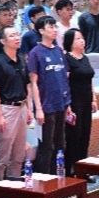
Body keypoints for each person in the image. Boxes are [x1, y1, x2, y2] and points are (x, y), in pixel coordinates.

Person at [27, 15, 71, 174]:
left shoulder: (58, 50)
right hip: (46, 105)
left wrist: (68, 104)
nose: (54, 30)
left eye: (55, 26)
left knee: (61, 143)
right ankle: (44, 178)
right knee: (47, 145)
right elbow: (33, 83)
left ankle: (58, 174)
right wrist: (38, 108)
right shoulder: (35, 53)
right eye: (50, 27)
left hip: (61, 103)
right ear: (41, 31)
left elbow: (64, 77)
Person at [0, 24, 31, 182]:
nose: (17, 38)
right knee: (3, 153)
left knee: (19, 151)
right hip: (6, 109)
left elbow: (27, 86)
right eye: (12, 36)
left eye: (17, 35)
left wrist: (29, 109)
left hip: (22, 107)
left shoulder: (22, 59)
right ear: (3, 41)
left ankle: (15, 184)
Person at [62, 28, 98, 176]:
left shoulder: (85, 58)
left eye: (82, 38)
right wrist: (67, 104)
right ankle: (70, 170)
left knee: (85, 134)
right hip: (74, 101)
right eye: (78, 38)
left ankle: (83, 170)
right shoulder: (66, 59)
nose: (82, 40)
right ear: (70, 42)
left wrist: (94, 98)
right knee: (73, 136)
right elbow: (64, 82)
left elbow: (90, 80)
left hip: (87, 100)